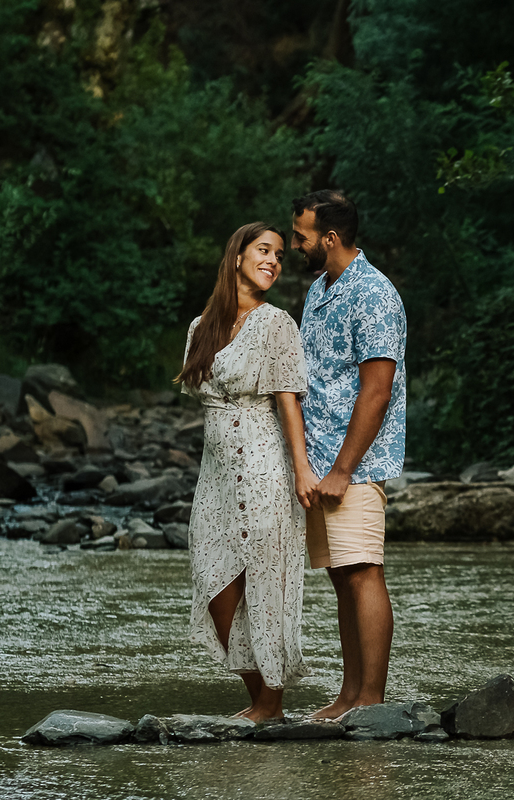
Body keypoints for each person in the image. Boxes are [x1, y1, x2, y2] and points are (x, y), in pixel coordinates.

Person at [177, 221, 317, 722]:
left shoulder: (278, 322)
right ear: (236, 255)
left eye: (280, 254)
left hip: (264, 467)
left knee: (264, 583)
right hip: (214, 475)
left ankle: (269, 704)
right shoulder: (202, 327)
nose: (274, 261)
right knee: (215, 587)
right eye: (264, 250)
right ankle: (262, 698)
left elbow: (288, 401)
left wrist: (302, 471)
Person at [291, 190, 406, 719]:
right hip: (319, 462)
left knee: (363, 571)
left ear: (329, 238)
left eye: (301, 236)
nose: (295, 245)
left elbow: (376, 390)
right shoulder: (318, 290)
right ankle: (349, 695)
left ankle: (373, 703)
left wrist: (342, 470)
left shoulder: (375, 294)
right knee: (342, 574)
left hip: (353, 466)